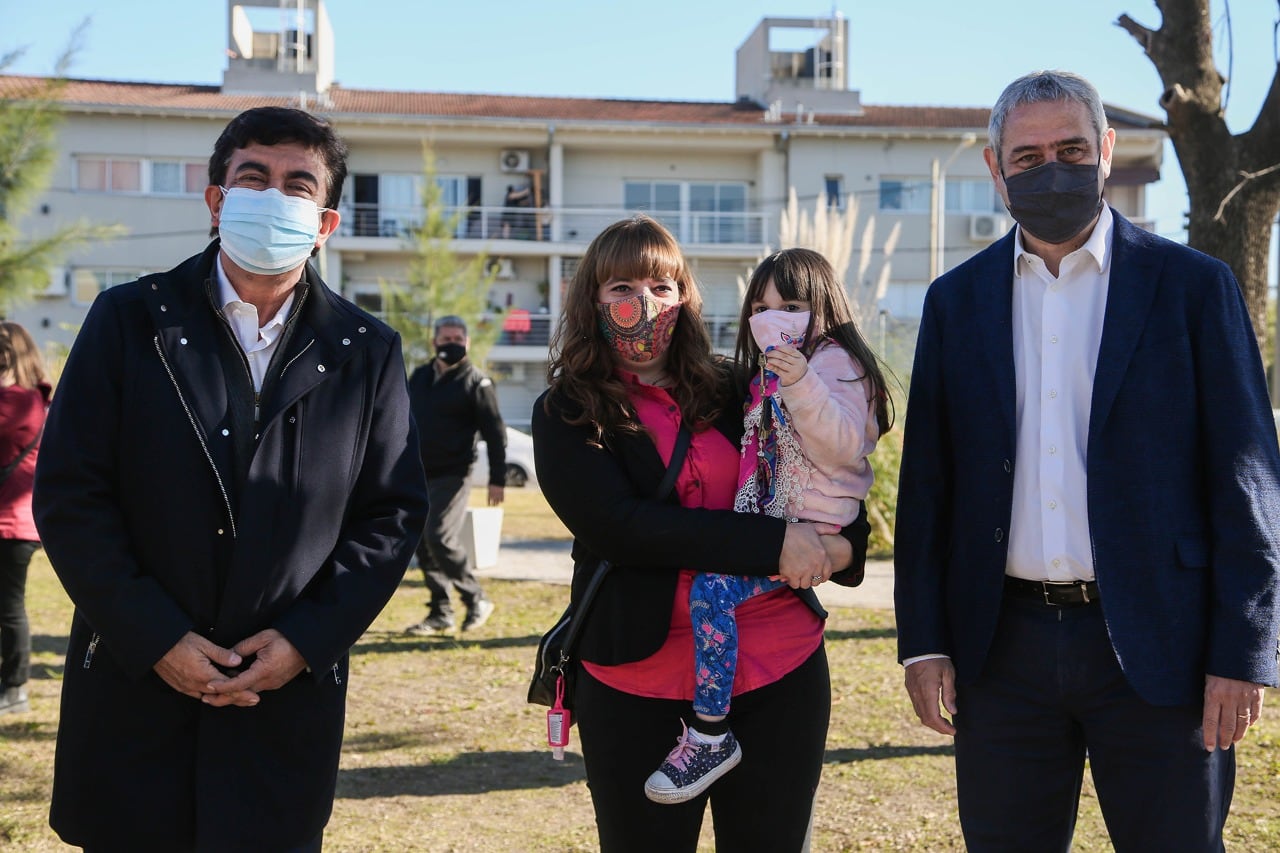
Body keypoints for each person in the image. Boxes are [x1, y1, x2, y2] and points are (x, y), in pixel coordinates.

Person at [894, 70, 1280, 852]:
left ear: (1105, 151)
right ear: (995, 167)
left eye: (1071, 149)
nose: (1052, 169)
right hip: (1000, 651)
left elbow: (1247, 479)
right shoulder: (954, 303)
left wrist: (1244, 650)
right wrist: (925, 641)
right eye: (1028, 156)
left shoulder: (1194, 289)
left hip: (1163, 646)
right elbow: (928, 488)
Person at [32, 106, 430, 852]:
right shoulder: (129, 320)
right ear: (216, 199)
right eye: (254, 177)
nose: (273, 197)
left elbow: (391, 516)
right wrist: (155, 637)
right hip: (134, 692)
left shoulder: (365, 350)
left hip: (280, 705)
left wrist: (305, 641)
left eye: (298, 185)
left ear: (325, 223)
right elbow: (71, 494)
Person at [532, 215, 869, 852]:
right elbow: (621, 529)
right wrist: (774, 545)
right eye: (622, 288)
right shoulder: (566, 411)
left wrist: (847, 546)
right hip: (638, 682)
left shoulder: (736, 385)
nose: (644, 303)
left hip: (778, 670)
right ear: (591, 300)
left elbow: (824, 475)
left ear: (685, 296)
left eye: (662, 287)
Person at [643, 247, 889, 804]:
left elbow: (844, 446)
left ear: (824, 307)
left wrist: (802, 383)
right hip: (781, 523)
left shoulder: (835, 365)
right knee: (715, 585)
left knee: (713, 591)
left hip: (813, 526)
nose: (772, 317)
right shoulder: (764, 373)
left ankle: (710, 732)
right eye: (760, 307)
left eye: (792, 306)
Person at [404, 315, 505, 636]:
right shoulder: (420, 377)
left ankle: (476, 598)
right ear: (434, 342)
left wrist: (498, 479)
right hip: (417, 472)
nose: (452, 345)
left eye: (458, 339)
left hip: (454, 473)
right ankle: (441, 611)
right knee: (421, 540)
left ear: (467, 343)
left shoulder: (477, 382)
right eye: (446, 339)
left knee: (438, 535)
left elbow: (495, 433)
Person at [0, 323, 50, 716]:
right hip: (20, 520)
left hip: (9, 522)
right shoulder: (38, 399)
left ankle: (14, 688)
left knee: (9, 607)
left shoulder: (14, 401)